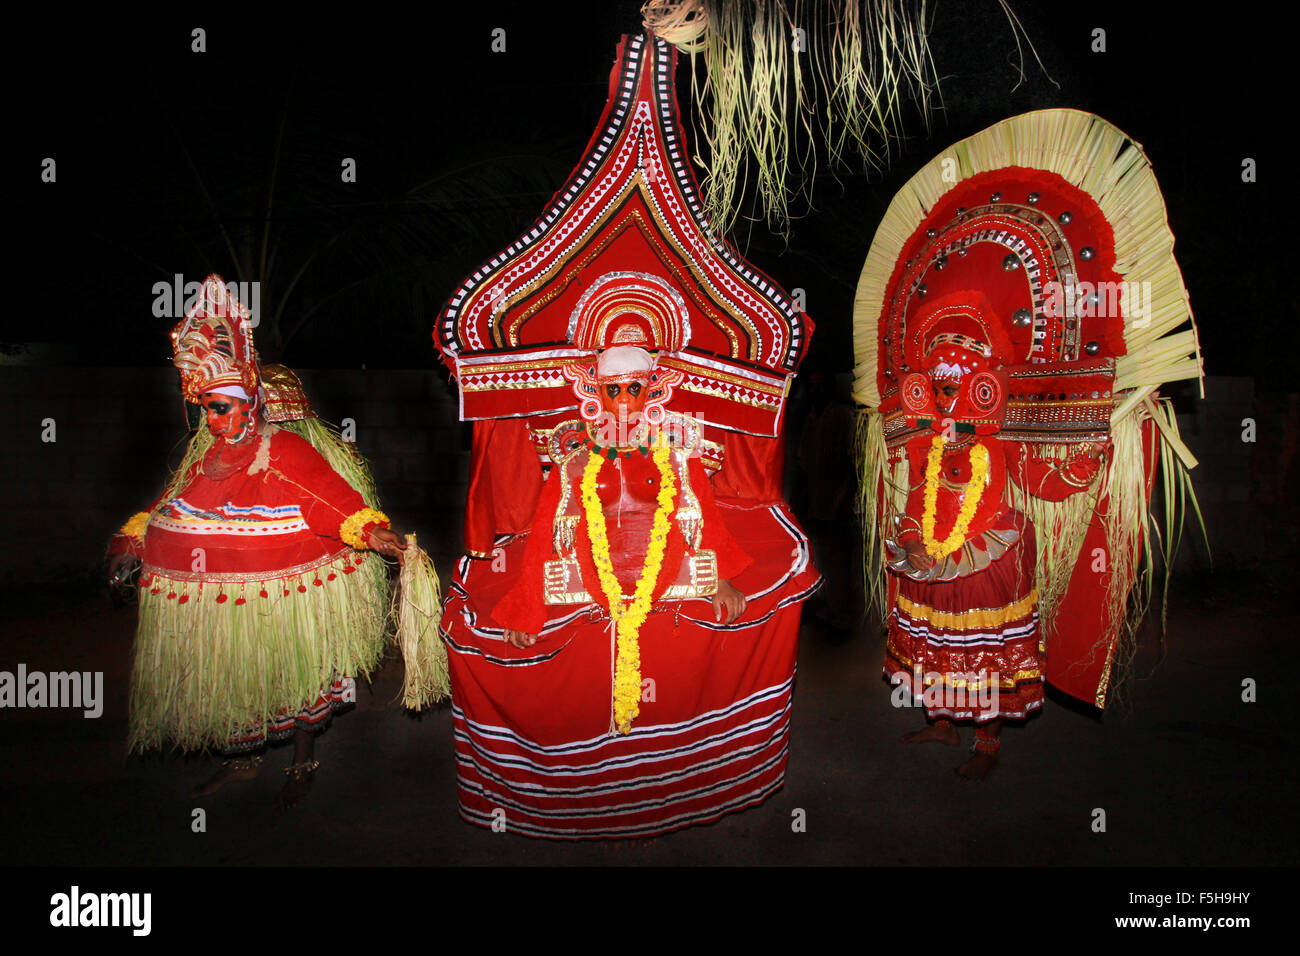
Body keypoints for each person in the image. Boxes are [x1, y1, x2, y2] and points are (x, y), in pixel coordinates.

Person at [109, 275, 407, 806]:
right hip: (225, 605)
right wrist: (132, 543)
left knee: (294, 673)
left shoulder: (283, 450)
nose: (212, 418)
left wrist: (369, 530)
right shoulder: (205, 457)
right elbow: (167, 503)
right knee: (236, 679)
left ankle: (302, 760)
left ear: (250, 401)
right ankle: (242, 759)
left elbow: (326, 497)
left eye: (221, 406)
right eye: (205, 408)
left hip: (280, 602)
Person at [882, 297, 1104, 778]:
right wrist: (912, 538)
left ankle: (987, 747)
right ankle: (942, 723)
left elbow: (1046, 485)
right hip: (931, 565)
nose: (945, 400)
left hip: (988, 563)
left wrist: (1081, 468)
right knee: (936, 648)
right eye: (939, 389)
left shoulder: (1001, 444)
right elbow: (916, 500)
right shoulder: (927, 444)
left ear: (980, 389)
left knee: (987, 658)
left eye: (954, 388)